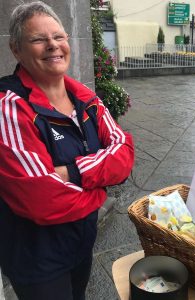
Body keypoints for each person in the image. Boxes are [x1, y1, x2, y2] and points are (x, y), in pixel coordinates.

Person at [0, 1, 134, 299]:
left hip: (81, 243)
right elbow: (41, 198)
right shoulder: (9, 107)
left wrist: (72, 172)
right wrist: (100, 189)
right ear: (16, 50)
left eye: (59, 37)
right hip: (38, 259)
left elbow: (124, 154)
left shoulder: (86, 99)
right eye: (38, 39)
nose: (52, 45)